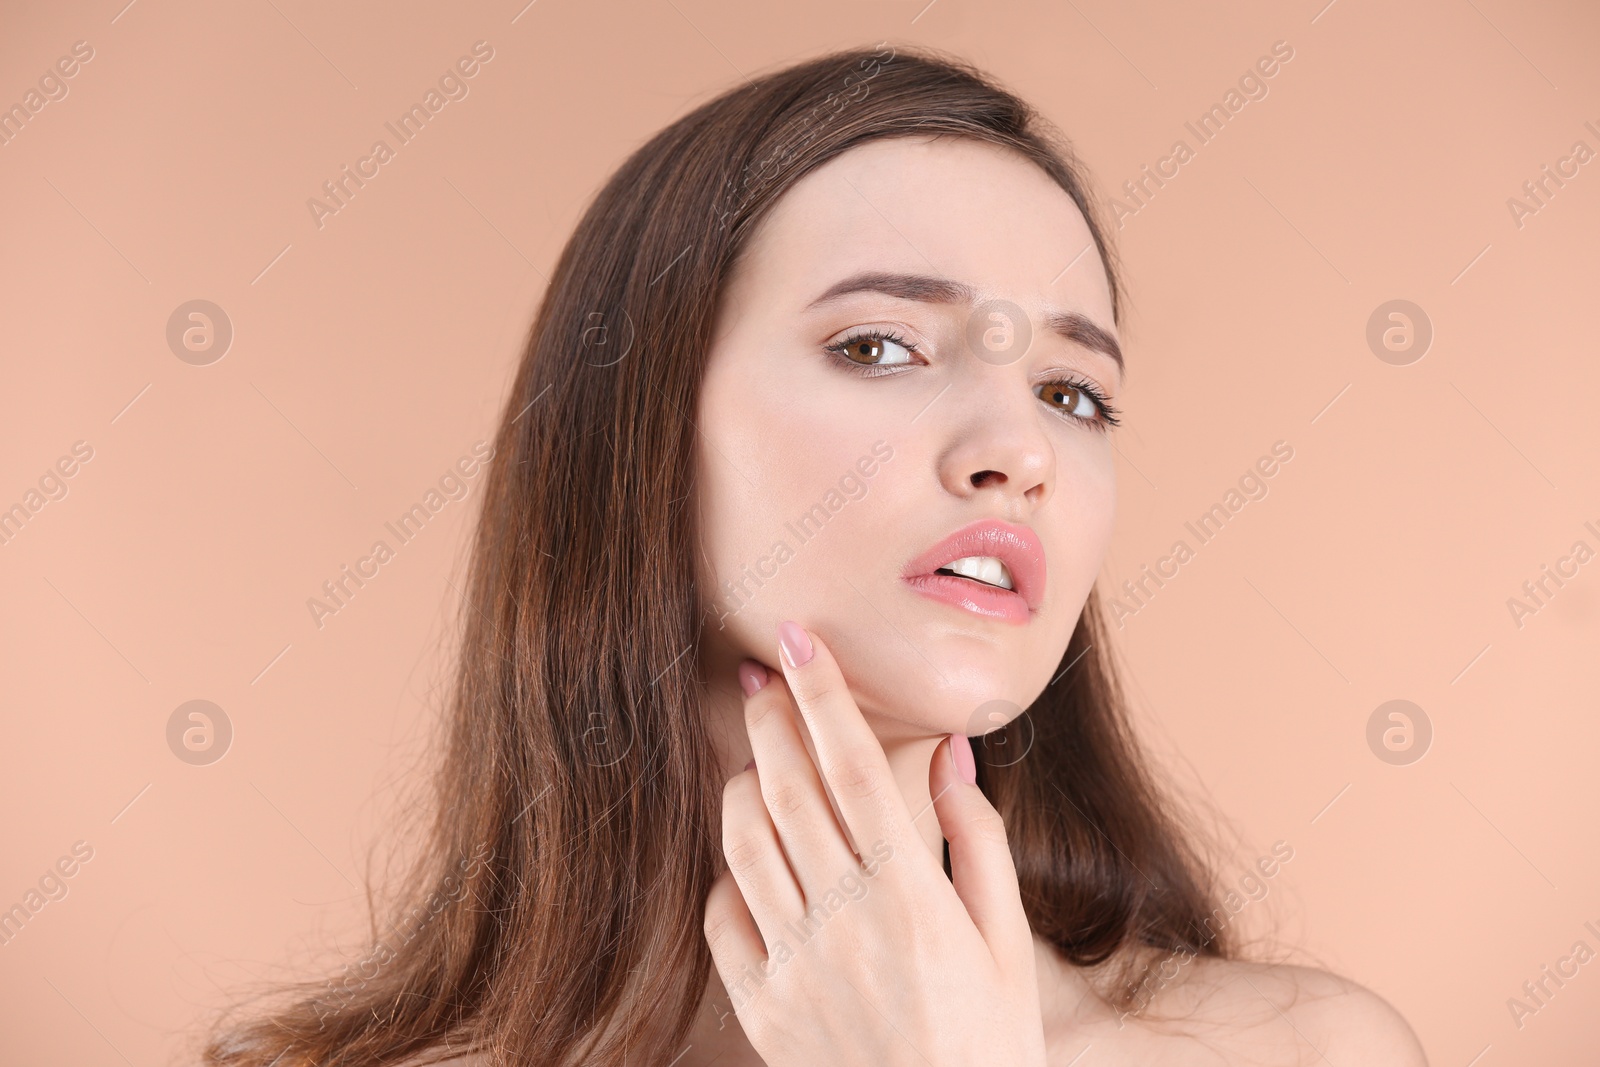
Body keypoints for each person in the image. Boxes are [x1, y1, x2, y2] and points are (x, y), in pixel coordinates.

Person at [204, 43, 1428, 1067]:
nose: (1019, 449)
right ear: (635, 429)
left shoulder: (1307, 1049)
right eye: (883, 348)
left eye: (1073, 391)